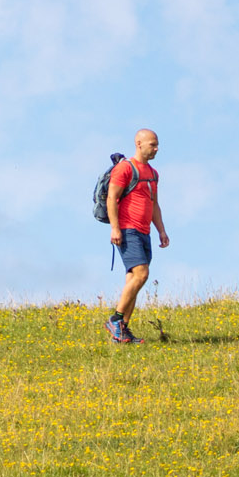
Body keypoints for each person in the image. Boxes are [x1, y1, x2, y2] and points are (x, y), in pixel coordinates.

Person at [106, 127, 165, 344]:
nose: (156, 149)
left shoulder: (153, 174)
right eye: (152, 144)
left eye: (157, 145)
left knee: (133, 279)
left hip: (144, 231)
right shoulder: (125, 168)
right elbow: (112, 198)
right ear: (139, 144)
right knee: (142, 274)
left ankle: (122, 331)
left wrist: (161, 230)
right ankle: (115, 319)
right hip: (127, 229)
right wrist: (115, 228)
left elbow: (154, 204)